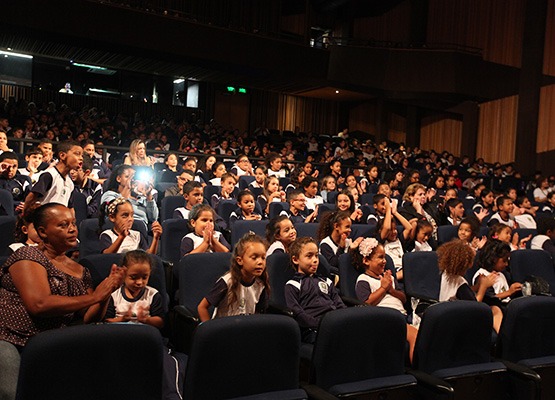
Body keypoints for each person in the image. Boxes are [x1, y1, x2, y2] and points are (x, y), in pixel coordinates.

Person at [0, 204, 125, 399]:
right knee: (11, 393)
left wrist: (106, 292)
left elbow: (88, 318)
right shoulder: (27, 256)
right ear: (43, 232)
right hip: (12, 340)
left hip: (54, 342)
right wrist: (94, 296)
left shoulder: (80, 270)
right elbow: (39, 304)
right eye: (63, 225)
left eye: (73, 223)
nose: (72, 229)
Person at [351, 237, 417, 361]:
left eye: (385, 257)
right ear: (366, 260)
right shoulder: (363, 279)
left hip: (402, 316)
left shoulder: (388, 278)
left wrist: (391, 290)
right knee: (415, 336)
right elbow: (366, 303)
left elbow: (403, 299)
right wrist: (383, 288)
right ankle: (420, 371)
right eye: (380, 257)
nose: (384, 261)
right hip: (384, 318)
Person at [285, 237, 346, 343]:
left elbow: (339, 304)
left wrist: (344, 319)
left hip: (334, 323)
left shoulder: (326, 281)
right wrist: (321, 324)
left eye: (316, 256)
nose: (315, 260)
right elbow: (298, 313)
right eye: (309, 256)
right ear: (295, 260)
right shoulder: (293, 285)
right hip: (312, 329)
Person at [197, 233, 269, 321]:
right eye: (254, 258)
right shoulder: (228, 281)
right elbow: (202, 307)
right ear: (240, 260)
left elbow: (258, 314)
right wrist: (208, 331)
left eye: (263, 258)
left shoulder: (260, 285)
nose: (260, 262)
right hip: (223, 330)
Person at [437, 239, 502, 332]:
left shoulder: (446, 274)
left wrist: (477, 286)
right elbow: (475, 307)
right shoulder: (460, 282)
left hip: (447, 315)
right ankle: (503, 339)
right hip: (460, 320)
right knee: (495, 309)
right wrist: (483, 286)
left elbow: (461, 294)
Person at [104, 250, 164, 328]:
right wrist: (122, 319)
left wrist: (146, 320)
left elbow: (160, 322)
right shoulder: (114, 295)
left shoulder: (152, 294)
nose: (139, 282)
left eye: (144, 277)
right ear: (124, 273)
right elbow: (107, 321)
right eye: (134, 277)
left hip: (144, 335)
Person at [23, 141, 83, 214]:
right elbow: (31, 198)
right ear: (62, 155)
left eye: (82, 155)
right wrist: (24, 214)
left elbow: (70, 208)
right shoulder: (49, 175)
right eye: (77, 154)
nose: (81, 158)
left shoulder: (70, 183)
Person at [100, 164, 159, 230]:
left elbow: (153, 218)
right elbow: (113, 210)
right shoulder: (110, 195)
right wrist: (127, 188)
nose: (131, 180)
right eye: (127, 177)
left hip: (141, 231)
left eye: (133, 178)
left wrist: (149, 196)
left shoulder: (140, 198)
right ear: (119, 179)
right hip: (119, 229)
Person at [473, 240, 521, 306]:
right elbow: (489, 299)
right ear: (493, 258)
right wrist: (509, 292)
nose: (506, 264)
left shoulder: (503, 273)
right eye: (504, 261)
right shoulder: (482, 276)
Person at [69, 154, 102, 218]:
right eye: (71, 168)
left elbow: (94, 209)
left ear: (87, 172)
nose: (71, 172)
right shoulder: (68, 184)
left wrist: (82, 209)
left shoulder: (95, 186)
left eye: (76, 169)